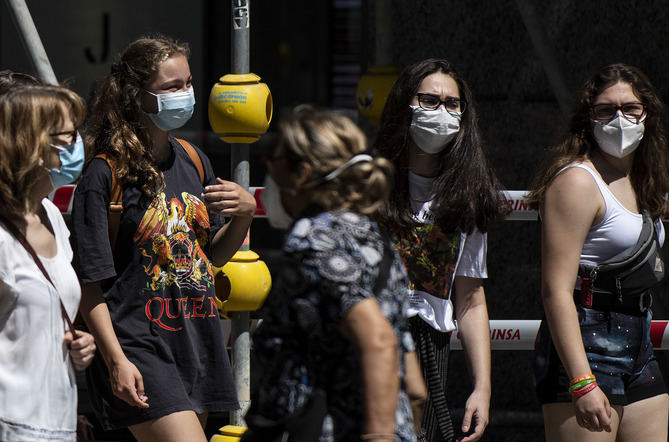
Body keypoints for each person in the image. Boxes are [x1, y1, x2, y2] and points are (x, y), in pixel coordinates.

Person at [71, 35, 256, 442]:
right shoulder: (105, 175)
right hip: (139, 345)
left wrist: (243, 216)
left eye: (188, 83)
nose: (185, 95)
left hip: (196, 340)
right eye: (172, 87)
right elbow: (89, 282)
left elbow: (210, 258)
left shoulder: (193, 159)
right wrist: (115, 358)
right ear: (137, 96)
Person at [242, 107, 426, 442]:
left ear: (302, 173)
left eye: (274, 162)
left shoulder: (315, 240)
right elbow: (414, 388)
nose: (268, 172)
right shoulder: (375, 240)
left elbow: (379, 340)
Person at [528, 63, 669, 441]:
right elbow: (555, 290)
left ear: (647, 115)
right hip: (586, 345)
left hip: (638, 344)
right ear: (588, 117)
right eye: (606, 110)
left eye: (630, 108)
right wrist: (581, 381)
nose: (619, 118)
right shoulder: (577, 180)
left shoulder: (643, 180)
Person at [373, 58, 507, 442]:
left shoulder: (469, 194)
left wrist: (483, 387)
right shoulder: (368, 182)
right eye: (429, 101)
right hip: (369, 339)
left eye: (453, 104)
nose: (442, 113)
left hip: (432, 346)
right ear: (404, 104)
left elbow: (470, 297)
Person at [0, 84, 96, 441]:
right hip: (11, 424)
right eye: (69, 136)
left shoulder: (53, 215)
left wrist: (78, 342)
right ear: (33, 144)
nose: (79, 145)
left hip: (57, 423)